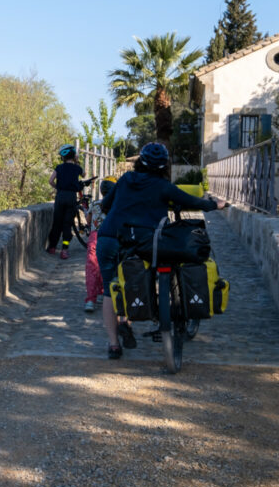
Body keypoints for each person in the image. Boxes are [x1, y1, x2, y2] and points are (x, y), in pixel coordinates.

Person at [96, 142, 227, 359]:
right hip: (139, 241)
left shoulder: (126, 179)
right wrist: (216, 205)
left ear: (140, 161)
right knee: (137, 275)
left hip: (109, 236)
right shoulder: (162, 186)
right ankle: (144, 316)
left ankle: (113, 345)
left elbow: (105, 205)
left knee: (111, 287)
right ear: (163, 166)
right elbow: (191, 201)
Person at [83, 176, 116, 313]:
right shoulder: (117, 206)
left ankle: (91, 299)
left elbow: (88, 220)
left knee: (92, 267)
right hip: (111, 238)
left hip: (95, 238)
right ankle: (105, 292)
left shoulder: (95, 204)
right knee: (107, 266)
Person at [46, 144, 84, 259]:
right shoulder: (77, 168)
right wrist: (77, 162)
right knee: (67, 224)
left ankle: (52, 247)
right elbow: (84, 175)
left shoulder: (59, 167)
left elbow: (50, 181)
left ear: (62, 157)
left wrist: (58, 187)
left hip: (60, 196)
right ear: (74, 156)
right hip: (71, 197)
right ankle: (64, 249)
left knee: (57, 222)